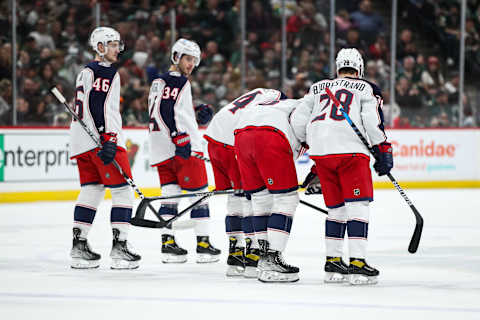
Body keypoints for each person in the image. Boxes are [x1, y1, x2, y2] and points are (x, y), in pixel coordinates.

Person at [291, 48, 393, 285]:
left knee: (336, 209)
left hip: (321, 155)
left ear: (337, 67)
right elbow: (371, 121)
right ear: (360, 68)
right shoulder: (367, 87)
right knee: (358, 206)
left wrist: (309, 142)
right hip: (350, 154)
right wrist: (382, 149)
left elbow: (298, 120)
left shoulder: (317, 87)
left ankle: (333, 263)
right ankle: (357, 264)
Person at [69, 27, 141, 269]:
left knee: (92, 189)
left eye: (117, 44)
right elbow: (98, 105)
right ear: (99, 47)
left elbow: (89, 105)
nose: (117, 49)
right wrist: (109, 137)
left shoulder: (86, 71)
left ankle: (79, 246)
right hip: (102, 139)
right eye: (112, 44)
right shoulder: (105, 72)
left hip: (82, 141)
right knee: (122, 192)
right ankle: (120, 247)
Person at [147, 38, 220, 264]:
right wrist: (180, 135)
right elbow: (165, 109)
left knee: (170, 195)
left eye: (194, 61)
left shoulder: (159, 81)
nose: (191, 64)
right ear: (176, 57)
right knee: (200, 196)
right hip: (182, 148)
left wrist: (194, 110)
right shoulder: (177, 81)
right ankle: (203, 244)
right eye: (187, 59)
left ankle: (167, 243)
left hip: (161, 148)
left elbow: (168, 108)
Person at [204, 88, 286, 278]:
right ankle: (252, 255)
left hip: (213, 139)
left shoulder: (259, 92)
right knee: (251, 196)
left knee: (235, 196)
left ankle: (235, 254)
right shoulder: (277, 102)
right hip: (232, 142)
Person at [233, 97, 307, 283]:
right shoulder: (307, 104)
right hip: (270, 136)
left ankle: (263, 258)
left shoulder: (273, 103)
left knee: (260, 199)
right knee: (287, 199)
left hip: (241, 136)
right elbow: (303, 130)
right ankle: (273, 257)